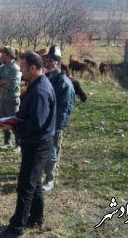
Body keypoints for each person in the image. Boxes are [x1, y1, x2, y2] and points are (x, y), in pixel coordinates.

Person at [0, 51, 56, 238]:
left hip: (37, 144)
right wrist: (13, 121)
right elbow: (28, 117)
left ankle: (16, 227)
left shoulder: (40, 91)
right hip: (37, 142)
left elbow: (34, 124)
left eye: (22, 68)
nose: (20, 71)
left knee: (25, 186)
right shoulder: (37, 84)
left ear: (33, 68)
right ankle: (36, 217)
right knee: (35, 182)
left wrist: (13, 127)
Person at [42, 45, 75, 191]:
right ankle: (44, 173)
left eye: (52, 61)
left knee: (52, 151)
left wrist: (55, 127)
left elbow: (64, 110)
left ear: (59, 63)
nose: (49, 63)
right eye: (47, 60)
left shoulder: (64, 84)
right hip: (43, 121)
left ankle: (50, 179)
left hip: (54, 124)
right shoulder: (47, 78)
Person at [0, 46, 22, 153]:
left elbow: (14, 85)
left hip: (12, 99)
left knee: (14, 122)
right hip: (2, 98)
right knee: (4, 121)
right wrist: (3, 82)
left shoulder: (16, 69)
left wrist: (2, 82)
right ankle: (7, 142)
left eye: (3, 54)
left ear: (9, 56)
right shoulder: (2, 67)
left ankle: (18, 144)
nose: (1, 56)